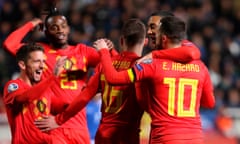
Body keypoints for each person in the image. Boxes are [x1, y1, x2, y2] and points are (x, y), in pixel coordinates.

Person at [94, 16, 215, 144]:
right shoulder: (201, 67)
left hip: (165, 138)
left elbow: (114, 78)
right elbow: (209, 103)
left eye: (156, 33)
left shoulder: (151, 64)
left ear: (163, 38)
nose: (152, 35)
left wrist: (104, 52)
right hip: (195, 138)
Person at [3, 7, 106, 144]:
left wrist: (107, 51)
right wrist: (32, 24)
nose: (60, 30)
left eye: (63, 26)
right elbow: (9, 44)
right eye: (54, 27)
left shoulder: (83, 51)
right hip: (51, 125)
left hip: (78, 125)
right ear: (45, 31)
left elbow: (110, 64)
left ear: (69, 29)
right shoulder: (39, 53)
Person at [3, 43, 67, 144]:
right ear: (22, 65)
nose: (42, 66)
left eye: (43, 61)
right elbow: (24, 98)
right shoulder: (13, 86)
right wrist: (52, 77)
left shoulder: (45, 89)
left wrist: (88, 90)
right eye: (37, 61)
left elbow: (64, 107)